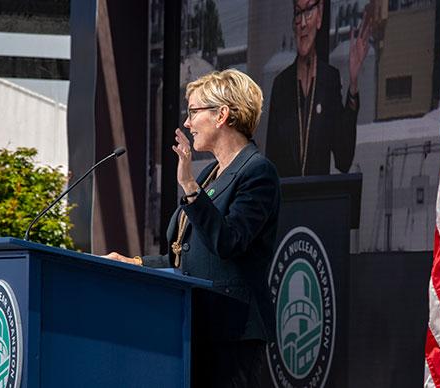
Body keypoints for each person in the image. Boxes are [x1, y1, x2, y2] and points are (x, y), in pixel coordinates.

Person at [106, 69, 281, 387]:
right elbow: (185, 255)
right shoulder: (211, 175)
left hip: (232, 331)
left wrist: (188, 186)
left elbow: (229, 241)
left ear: (222, 115)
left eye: (194, 112)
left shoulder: (257, 172)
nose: (187, 123)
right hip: (197, 327)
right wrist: (134, 263)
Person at [266, 0, 371, 177]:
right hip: (288, 200)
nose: (303, 23)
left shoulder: (329, 80)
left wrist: (353, 83)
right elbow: (271, 158)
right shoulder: (281, 85)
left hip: (320, 199)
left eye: (308, 12)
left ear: (320, 17)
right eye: (298, 13)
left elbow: (343, 160)